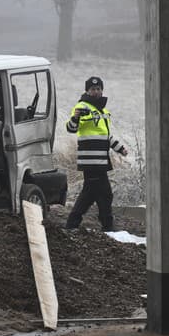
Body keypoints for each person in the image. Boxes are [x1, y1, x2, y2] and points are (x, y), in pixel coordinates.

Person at [64, 76, 128, 231]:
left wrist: (119, 148)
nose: (96, 92)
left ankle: (72, 225)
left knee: (91, 194)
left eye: (98, 89)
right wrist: (76, 116)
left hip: (100, 160)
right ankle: (107, 227)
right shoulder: (82, 106)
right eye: (93, 89)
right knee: (104, 193)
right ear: (87, 91)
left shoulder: (103, 110)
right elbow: (71, 128)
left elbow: (105, 135)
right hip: (91, 160)